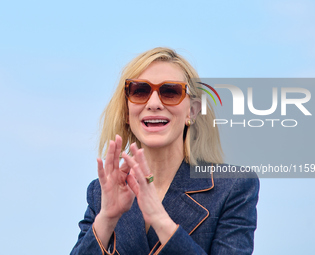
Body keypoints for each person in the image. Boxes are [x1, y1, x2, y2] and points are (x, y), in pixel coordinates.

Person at [70, 47, 259, 255]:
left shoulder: (233, 186)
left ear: (192, 111)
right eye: (140, 91)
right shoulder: (100, 193)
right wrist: (106, 219)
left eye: (170, 92)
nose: (153, 104)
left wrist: (161, 221)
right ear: (126, 112)